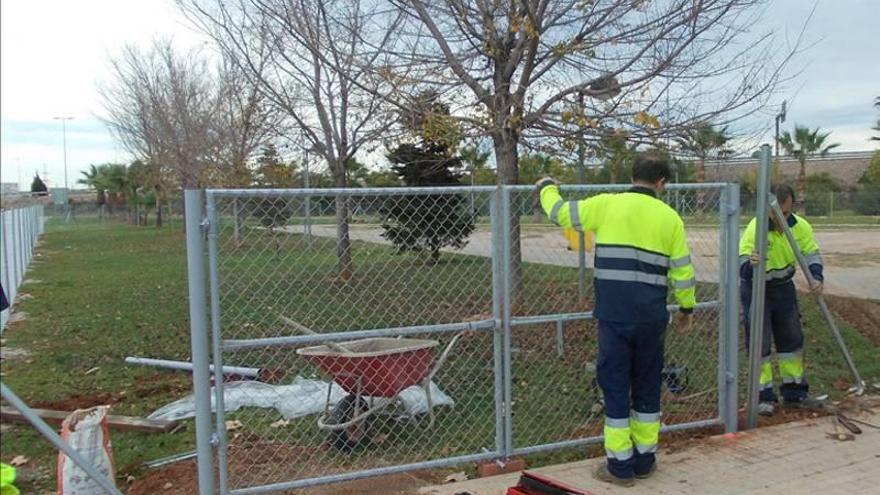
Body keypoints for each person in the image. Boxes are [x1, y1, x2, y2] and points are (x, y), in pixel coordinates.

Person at [536, 151, 695, 487]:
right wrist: (686, 310)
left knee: (616, 385)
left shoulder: (607, 205)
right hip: (652, 318)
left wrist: (547, 187)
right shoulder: (670, 219)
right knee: (648, 384)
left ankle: (619, 467)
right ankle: (644, 459)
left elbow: (561, 214)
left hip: (614, 316)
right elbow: (682, 271)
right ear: (661, 182)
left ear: (632, 175)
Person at [740, 184, 823, 416]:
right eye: (778, 215)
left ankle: (795, 392)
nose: (783, 219)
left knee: (791, 339)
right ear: (768, 210)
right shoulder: (756, 228)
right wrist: (750, 264)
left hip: (784, 288)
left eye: (786, 214)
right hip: (757, 290)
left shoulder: (800, 226)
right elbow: (741, 263)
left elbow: (811, 253)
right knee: (760, 342)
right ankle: (763, 396)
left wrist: (816, 276)